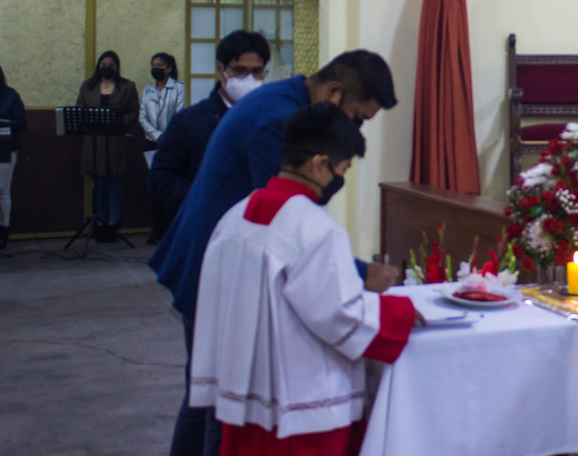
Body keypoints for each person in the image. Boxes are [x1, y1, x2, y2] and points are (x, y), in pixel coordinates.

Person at [149, 49, 400, 456]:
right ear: (334, 93)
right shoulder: (279, 120)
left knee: (212, 396)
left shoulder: (286, 98)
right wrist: (358, 272)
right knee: (218, 407)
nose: (354, 129)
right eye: (357, 118)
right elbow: (287, 223)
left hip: (222, 255)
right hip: (221, 266)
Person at [190, 103, 420, 456]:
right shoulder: (315, 228)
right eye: (341, 169)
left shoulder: (236, 216)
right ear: (319, 164)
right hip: (302, 406)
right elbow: (340, 313)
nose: (338, 180)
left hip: (246, 397)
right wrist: (401, 313)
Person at [146, 31, 270, 243]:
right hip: (205, 234)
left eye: (256, 72)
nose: (249, 79)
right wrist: (205, 197)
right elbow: (160, 178)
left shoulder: (274, 121)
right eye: (240, 71)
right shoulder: (188, 122)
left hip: (259, 235)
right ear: (221, 69)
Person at [76, 50, 140, 242]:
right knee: (99, 182)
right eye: (103, 65)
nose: (106, 68)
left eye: (111, 65)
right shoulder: (88, 86)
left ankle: (113, 224)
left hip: (115, 141)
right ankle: (99, 223)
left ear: (117, 67)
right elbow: (79, 110)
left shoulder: (127, 86)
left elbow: (134, 113)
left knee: (115, 182)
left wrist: (117, 120)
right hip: (94, 141)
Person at [141, 52, 186, 244]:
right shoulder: (148, 90)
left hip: (172, 143)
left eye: (159, 65)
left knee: (170, 186)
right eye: (153, 65)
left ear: (169, 68)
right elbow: (142, 116)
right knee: (154, 186)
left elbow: (179, 114)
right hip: (151, 142)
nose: (155, 68)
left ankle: (171, 229)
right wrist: (157, 135)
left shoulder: (179, 88)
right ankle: (157, 229)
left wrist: (166, 137)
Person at [0, 60, 27, 251]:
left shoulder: (11, 96)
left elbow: (21, 123)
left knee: (1, 189)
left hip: (5, 148)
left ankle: (3, 228)